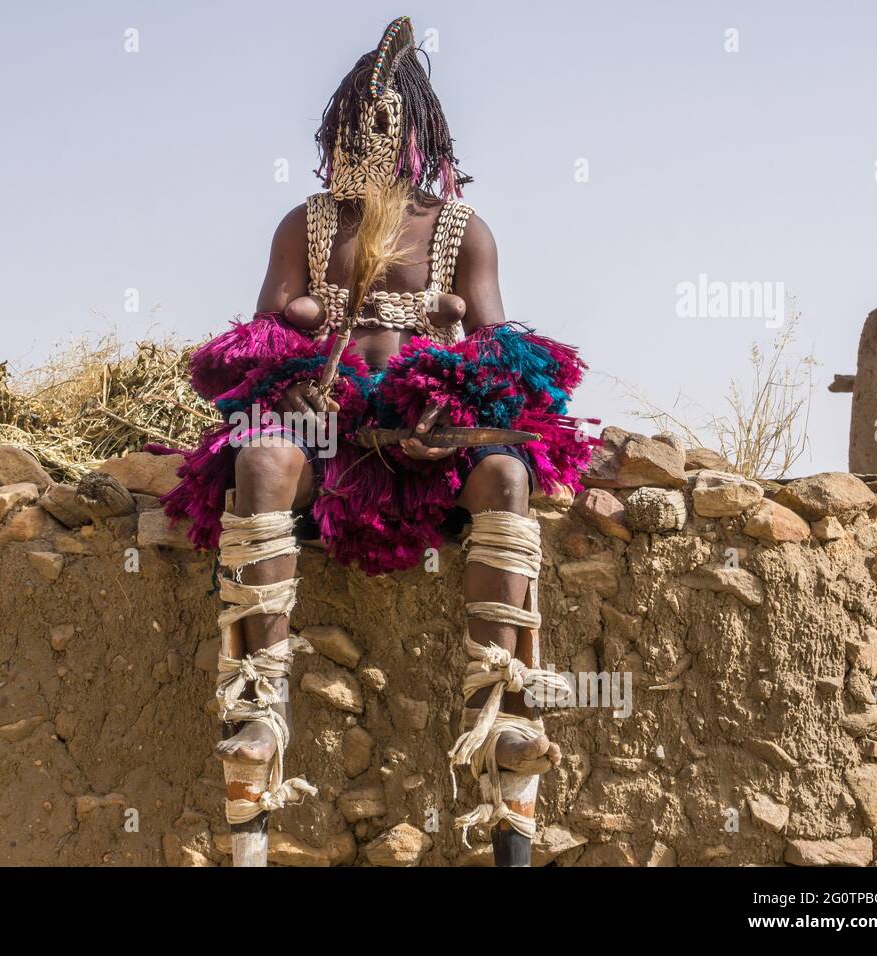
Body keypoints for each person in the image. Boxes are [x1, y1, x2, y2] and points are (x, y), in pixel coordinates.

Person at [159, 16, 595, 866]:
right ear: (337, 130)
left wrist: (453, 405)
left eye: (389, 122)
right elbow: (255, 338)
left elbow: (500, 351)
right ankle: (257, 708)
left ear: (421, 129)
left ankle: (507, 719)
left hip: (430, 443)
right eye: (359, 122)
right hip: (327, 433)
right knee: (259, 459)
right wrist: (303, 376)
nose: (373, 138)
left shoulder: (462, 229)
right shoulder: (309, 225)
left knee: (506, 477)